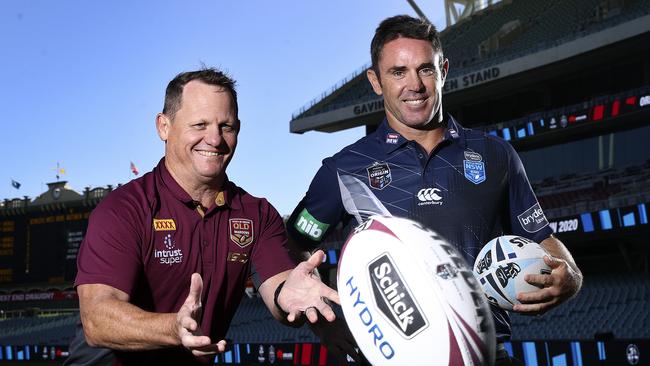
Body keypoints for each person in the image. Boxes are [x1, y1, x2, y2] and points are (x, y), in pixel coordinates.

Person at [287, 15, 583, 365]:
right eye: (398, 72)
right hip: (388, 356)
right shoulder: (345, 168)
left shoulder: (495, 154)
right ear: (376, 81)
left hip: (483, 353)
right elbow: (293, 243)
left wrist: (570, 275)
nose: (414, 85)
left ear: (443, 70)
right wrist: (322, 321)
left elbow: (540, 236)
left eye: (425, 70)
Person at [66, 68, 339, 365]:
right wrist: (173, 327)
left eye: (227, 126)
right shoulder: (124, 209)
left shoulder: (257, 214)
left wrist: (290, 294)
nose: (214, 139)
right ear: (164, 126)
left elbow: (279, 286)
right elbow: (97, 319)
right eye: (200, 124)